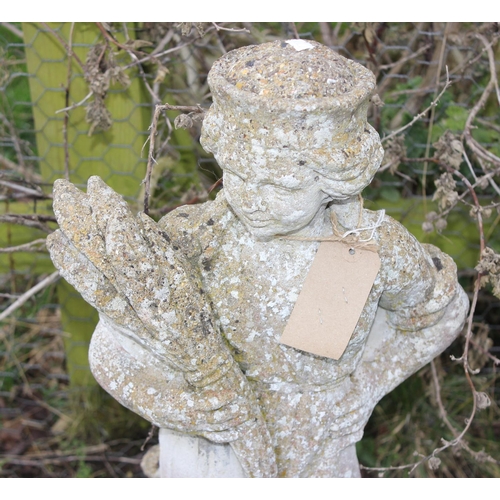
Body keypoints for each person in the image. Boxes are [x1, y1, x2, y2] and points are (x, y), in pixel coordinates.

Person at [47, 40, 469, 477]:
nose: (254, 200)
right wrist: (183, 410)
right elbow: (110, 354)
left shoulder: (372, 247)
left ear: (335, 180)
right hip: (209, 458)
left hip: (319, 452)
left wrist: (367, 386)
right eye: (239, 176)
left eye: (282, 187)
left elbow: (445, 310)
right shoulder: (191, 240)